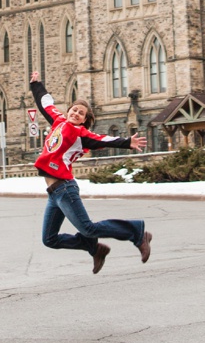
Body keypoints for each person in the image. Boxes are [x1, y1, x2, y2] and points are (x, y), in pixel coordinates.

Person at [29, 73, 151, 273]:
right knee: (49, 239)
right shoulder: (58, 121)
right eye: (74, 110)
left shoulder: (80, 133)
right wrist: (36, 84)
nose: (76, 113)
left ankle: (137, 232)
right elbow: (46, 103)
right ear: (68, 111)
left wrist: (128, 142)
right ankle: (93, 247)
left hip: (64, 189)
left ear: (84, 120)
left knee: (88, 228)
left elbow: (103, 139)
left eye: (81, 113)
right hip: (53, 193)